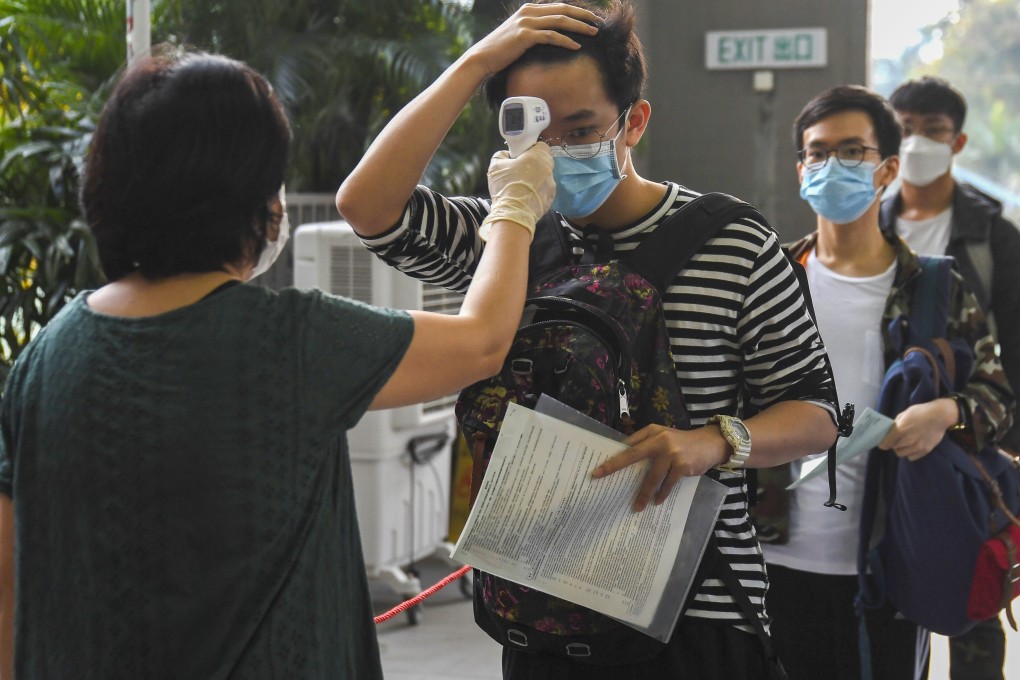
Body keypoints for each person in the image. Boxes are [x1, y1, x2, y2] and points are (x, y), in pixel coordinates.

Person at [0, 49, 556, 678]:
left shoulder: (44, 360)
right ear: (248, 200)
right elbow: (482, 341)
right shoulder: (290, 343)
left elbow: (7, 580)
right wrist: (515, 206)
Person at [336, 2, 839, 677]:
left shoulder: (733, 241)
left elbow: (816, 414)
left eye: (580, 130)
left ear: (634, 121)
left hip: (696, 614)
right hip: (545, 615)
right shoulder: (505, 236)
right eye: (530, 130)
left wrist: (711, 442)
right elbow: (367, 208)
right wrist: (476, 62)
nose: (553, 155)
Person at [763, 84, 1014, 680]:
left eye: (852, 152)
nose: (832, 167)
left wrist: (946, 413)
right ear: (801, 170)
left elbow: (998, 394)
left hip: (888, 556)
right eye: (817, 153)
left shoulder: (933, 286)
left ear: (887, 169)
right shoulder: (772, 281)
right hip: (769, 554)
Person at [879, 75, 1020, 680]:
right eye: (904, 130)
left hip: (972, 437)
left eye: (931, 131)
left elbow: (1013, 342)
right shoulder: (867, 227)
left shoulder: (994, 238)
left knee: (973, 589)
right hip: (887, 431)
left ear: (957, 141)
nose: (916, 143)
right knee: (885, 582)